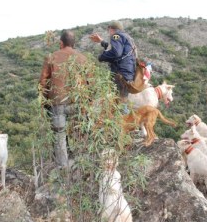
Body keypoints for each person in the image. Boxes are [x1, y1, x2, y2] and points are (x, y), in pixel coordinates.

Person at [39, 30, 87, 168]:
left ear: (61, 43)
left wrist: (44, 102)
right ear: (73, 44)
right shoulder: (82, 58)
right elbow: (91, 82)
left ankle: (63, 168)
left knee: (59, 134)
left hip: (57, 102)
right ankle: (80, 163)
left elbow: (43, 82)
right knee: (79, 130)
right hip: (78, 102)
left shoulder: (51, 57)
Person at [89, 21, 137, 113]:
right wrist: (102, 41)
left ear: (111, 29)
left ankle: (123, 124)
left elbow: (116, 52)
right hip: (127, 74)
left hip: (120, 75)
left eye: (108, 30)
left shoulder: (116, 36)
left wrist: (101, 57)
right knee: (122, 102)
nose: (108, 32)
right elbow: (117, 49)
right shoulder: (127, 37)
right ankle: (123, 122)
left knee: (120, 103)